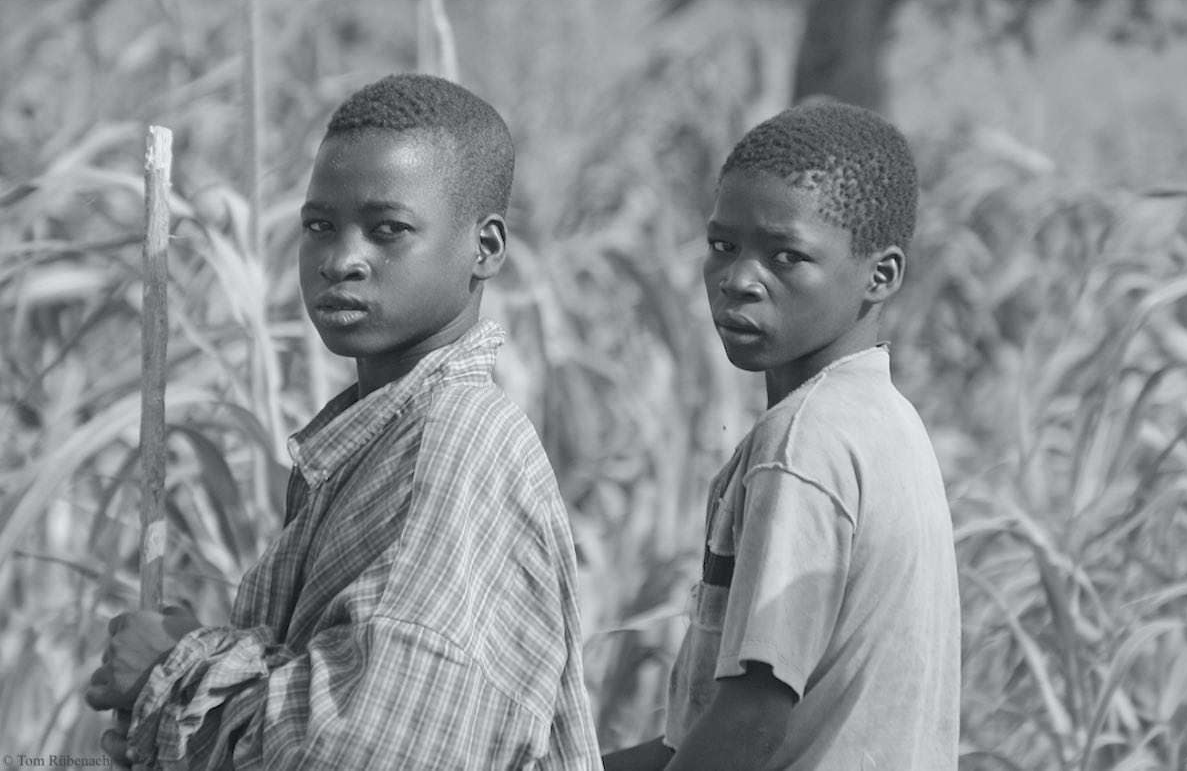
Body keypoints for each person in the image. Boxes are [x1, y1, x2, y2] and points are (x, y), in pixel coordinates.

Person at [86, 73, 603, 770]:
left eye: (387, 230)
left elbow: (365, 750)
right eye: (319, 227)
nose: (340, 260)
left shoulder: (450, 445)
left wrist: (173, 671)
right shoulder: (373, 439)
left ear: (485, 249)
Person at [602, 100, 960, 770]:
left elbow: (751, 719)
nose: (738, 281)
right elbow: (698, 738)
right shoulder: (886, 422)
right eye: (721, 246)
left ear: (879, 276)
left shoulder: (804, 446)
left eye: (786, 257)